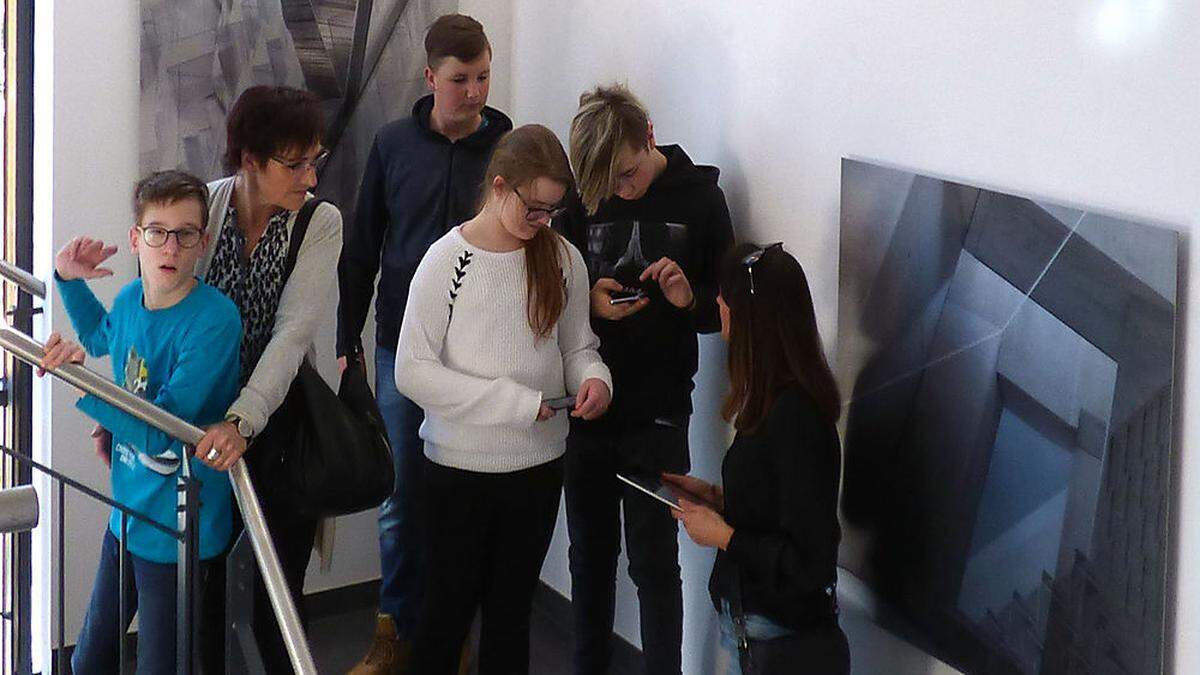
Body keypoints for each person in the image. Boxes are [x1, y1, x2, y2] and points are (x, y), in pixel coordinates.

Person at [393, 124, 611, 675]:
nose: (542, 223)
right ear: (498, 187)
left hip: (537, 468)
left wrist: (596, 378)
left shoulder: (561, 259)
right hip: (456, 471)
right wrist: (511, 403)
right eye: (533, 209)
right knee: (444, 618)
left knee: (511, 618)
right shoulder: (447, 261)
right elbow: (411, 372)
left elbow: (578, 346)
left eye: (552, 213)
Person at [336, 14, 514, 672]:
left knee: (464, 499)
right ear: (431, 77)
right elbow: (360, 253)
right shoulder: (390, 145)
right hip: (399, 351)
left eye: (485, 77)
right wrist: (344, 339)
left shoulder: (510, 150)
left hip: (482, 354)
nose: (475, 92)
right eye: (462, 79)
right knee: (400, 496)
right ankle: (395, 634)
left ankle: (451, 635)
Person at [555, 83, 734, 675]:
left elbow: (727, 312)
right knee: (590, 559)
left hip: (660, 409)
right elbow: (553, 301)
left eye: (627, 176)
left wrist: (687, 300)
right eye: (607, 186)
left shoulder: (702, 200)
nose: (619, 192)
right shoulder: (586, 194)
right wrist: (589, 308)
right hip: (590, 402)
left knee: (656, 566)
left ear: (650, 136)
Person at [38, 170, 241, 674]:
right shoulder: (131, 298)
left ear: (203, 242)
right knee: (90, 659)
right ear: (136, 239)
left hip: (180, 527)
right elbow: (102, 336)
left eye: (185, 233)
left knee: (161, 664)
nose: (170, 247)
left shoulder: (215, 320)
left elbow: (161, 426)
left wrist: (83, 383)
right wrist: (66, 279)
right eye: (157, 232)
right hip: (127, 514)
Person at [191, 84, 343, 673]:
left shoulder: (319, 222)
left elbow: (293, 336)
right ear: (249, 160)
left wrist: (243, 421)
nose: (309, 177)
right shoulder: (201, 209)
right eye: (295, 162)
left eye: (315, 159)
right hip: (197, 426)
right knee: (203, 592)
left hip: (277, 431)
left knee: (278, 593)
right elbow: (160, 318)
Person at [664, 242, 850, 675]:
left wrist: (724, 536)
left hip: (777, 642)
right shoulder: (771, 402)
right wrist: (718, 498)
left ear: (751, 319)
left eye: (724, 299)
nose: (717, 304)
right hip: (754, 628)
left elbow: (810, 559)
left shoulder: (796, 418)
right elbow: (780, 505)